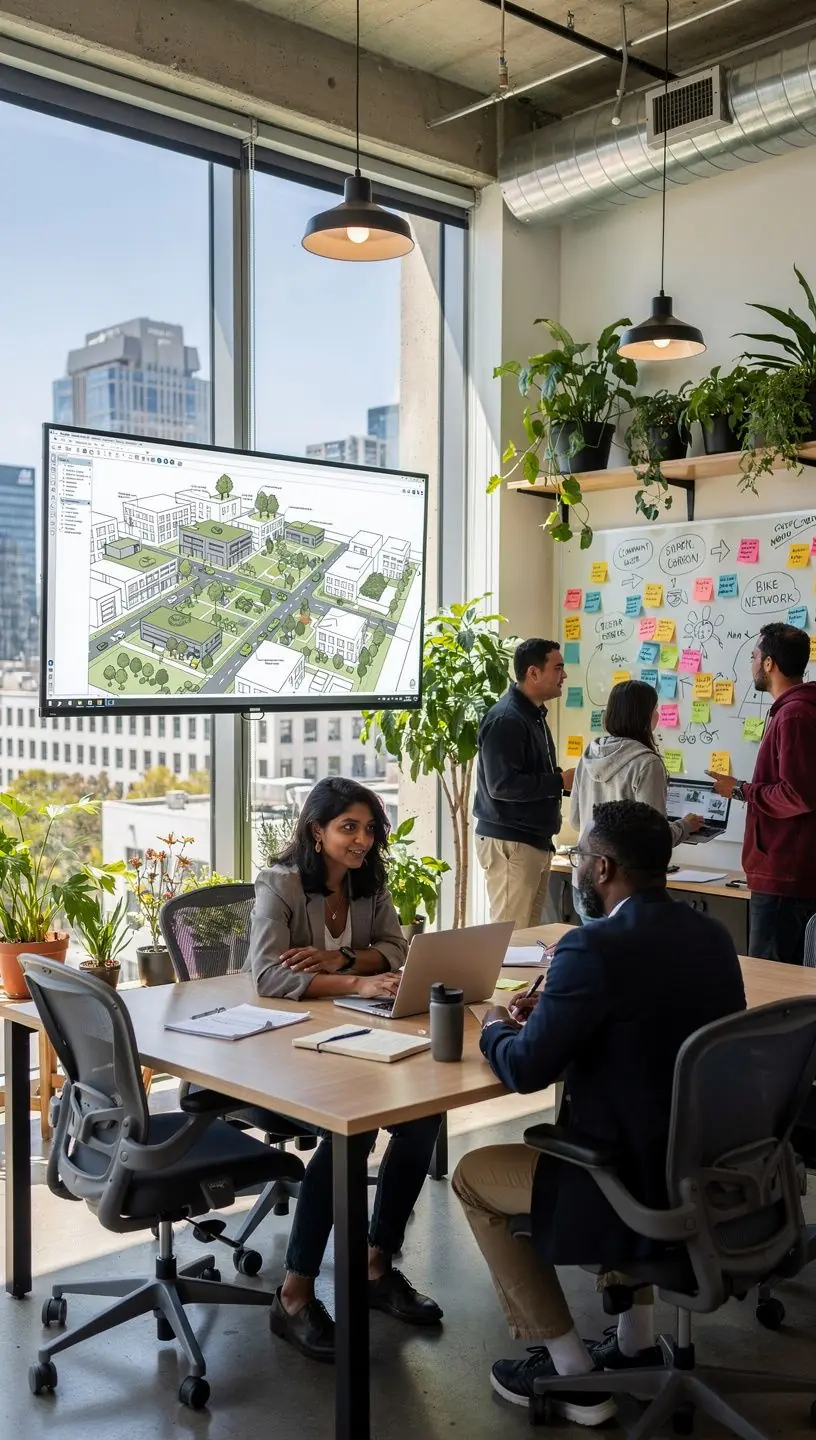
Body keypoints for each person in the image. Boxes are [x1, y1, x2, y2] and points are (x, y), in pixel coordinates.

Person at [452, 800, 745, 1425]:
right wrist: (565, 1014)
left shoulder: (593, 948)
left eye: (581, 857)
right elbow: (653, 1031)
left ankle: (572, 1374)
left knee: (474, 1177)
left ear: (603, 867)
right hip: (710, 1167)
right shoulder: (713, 936)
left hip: (629, 1178)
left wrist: (497, 1028)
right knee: (638, 1129)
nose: (578, 866)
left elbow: (527, 1069)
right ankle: (635, 1341)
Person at [248, 776, 443, 1362]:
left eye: (368, 828)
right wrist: (357, 979)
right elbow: (269, 975)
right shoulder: (280, 885)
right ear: (317, 830)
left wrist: (340, 957)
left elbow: (398, 949)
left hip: (357, 1038)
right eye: (348, 828)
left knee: (423, 1119)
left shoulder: (368, 882)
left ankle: (375, 1265)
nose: (362, 840)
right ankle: (295, 1294)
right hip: (284, 1053)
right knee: (347, 1142)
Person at [707, 621, 816, 965]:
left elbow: (798, 795)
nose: (751, 662)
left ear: (769, 663)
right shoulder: (793, 711)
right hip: (787, 872)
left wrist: (739, 789)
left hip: (785, 875)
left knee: (774, 984)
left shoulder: (794, 716)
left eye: (754, 655)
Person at [570, 679, 702, 920]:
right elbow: (654, 839)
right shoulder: (647, 763)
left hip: (585, 878)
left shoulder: (588, 755)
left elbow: (576, 821)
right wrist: (685, 826)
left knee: (597, 952)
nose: (658, 716)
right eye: (654, 709)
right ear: (643, 716)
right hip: (623, 889)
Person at [474, 638, 574, 927]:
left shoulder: (532, 715)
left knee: (525, 939)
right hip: (511, 842)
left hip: (532, 842)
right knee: (508, 939)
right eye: (558, 668)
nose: (563, 676)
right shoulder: (507, 719)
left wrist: (560, 782)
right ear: (533, 673)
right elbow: (502, 785)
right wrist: (558, 782)